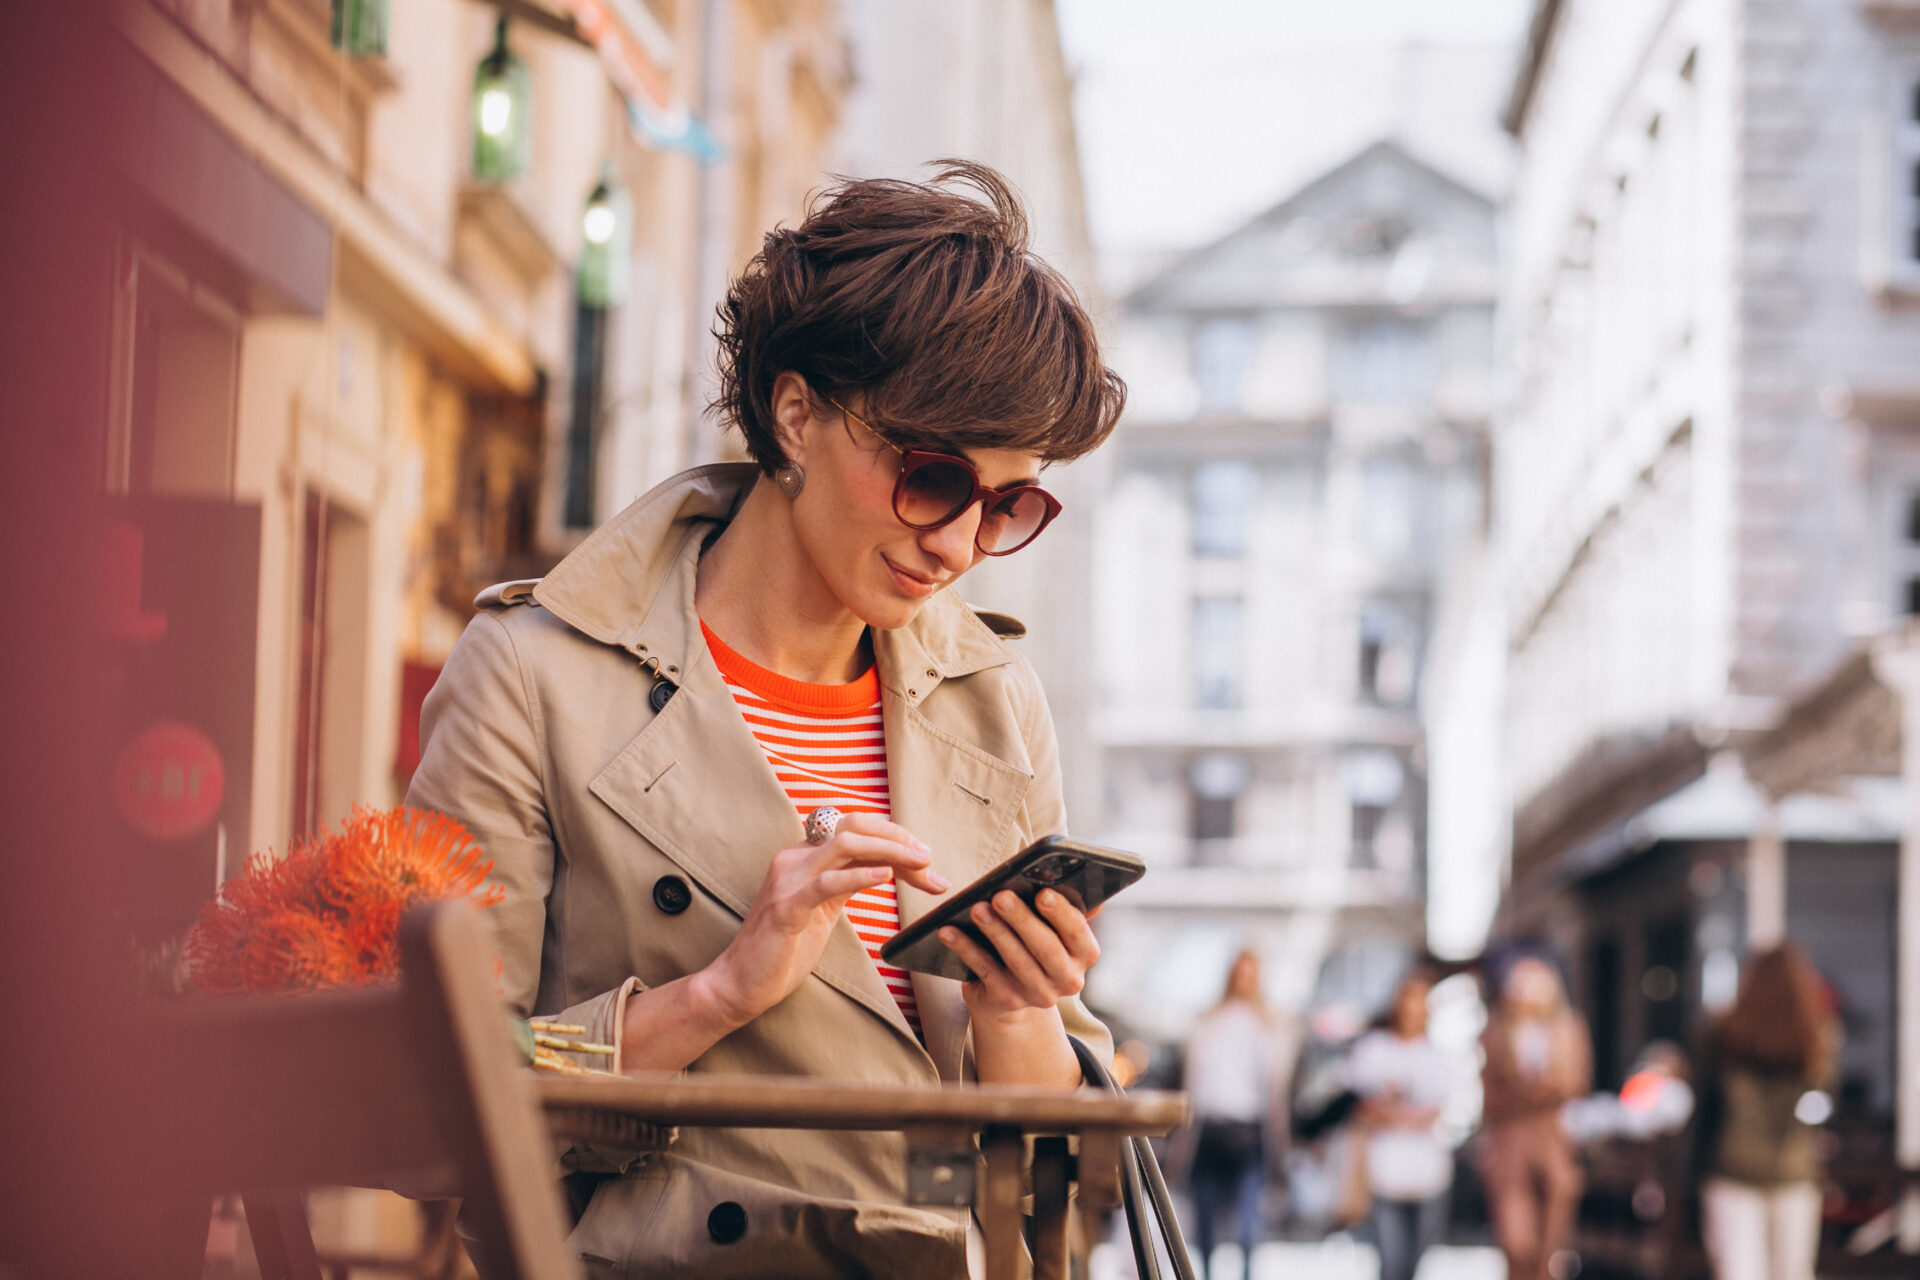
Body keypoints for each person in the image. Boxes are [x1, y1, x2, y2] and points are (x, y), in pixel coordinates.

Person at [407, 161, 1127, 1279]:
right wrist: (716, 993)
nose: (957, 543)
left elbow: (1059, 1199)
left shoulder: (994, 702)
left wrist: (1019, 1008)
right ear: (795, 413)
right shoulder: (533, 675)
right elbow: (441, 1089)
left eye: (1008, 504)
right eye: (931, 475)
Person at [1694, 943, 1839, 1280]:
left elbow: (1704, 1110)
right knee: (1793, 1271)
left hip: (1733, 1167)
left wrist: (1687, 1173)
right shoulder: (1815, 1037)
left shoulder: (1722, 1032)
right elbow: (1821, 1102)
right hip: (1794, 1167)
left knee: (1740, 1272)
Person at [1478, 955, 1592, 1280]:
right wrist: (1524, 1096)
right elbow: (1490, 1096)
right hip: (1510, 1144)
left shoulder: (1570, 1029)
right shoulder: (1497, 1034)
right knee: (1517, 1244)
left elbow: (1578, 1082)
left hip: (1554, 1140)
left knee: (1551, 1246)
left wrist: (1551, 1092)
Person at [1348, 968, 1464, 1280]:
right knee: (1391, 1257)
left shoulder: (1437, 1055)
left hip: (1427, 1172)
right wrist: (1405, 1114)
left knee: (1416, 1258)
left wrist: (1395, 1113)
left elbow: (1437, 1111)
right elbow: (1365, 1107)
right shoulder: (1374, 1048)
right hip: (1384, 1168)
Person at [1180, 948, 1282, 1278]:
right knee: (1205, 1225)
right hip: (1210, 1128)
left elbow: (1273, 1090)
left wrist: (1281, 1145)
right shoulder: (1210, 1021)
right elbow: (1194, 1082)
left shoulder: (1267, 1026)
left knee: (1248, 1225)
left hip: (1248, 1131)